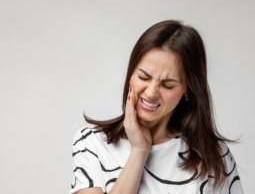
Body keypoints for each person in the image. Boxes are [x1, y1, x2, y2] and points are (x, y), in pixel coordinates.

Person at [69, 20, 244, 194]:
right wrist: (139, 151)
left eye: (167, 85)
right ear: (131, 73)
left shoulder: (214, 155)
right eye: (144, 77)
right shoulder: (91, 143)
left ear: (188, 90)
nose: (151, 92)